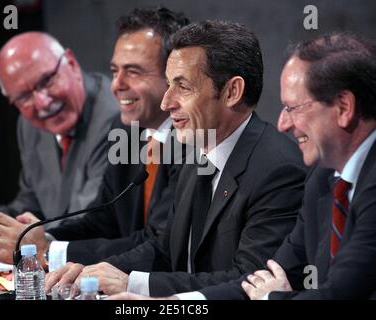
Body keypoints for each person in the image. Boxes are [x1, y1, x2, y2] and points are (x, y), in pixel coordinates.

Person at [46, 20, 307, 297]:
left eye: (182, 87)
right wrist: (95, 271)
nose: (166, 102)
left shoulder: (277, 169)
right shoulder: (195, 156)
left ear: (232, 92)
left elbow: (249, 283)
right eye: (168, 85)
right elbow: (164, 248)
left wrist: (133, 285)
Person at [123, 31, 376, 300]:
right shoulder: (322, 178)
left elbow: (339, 294)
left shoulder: (286, 169)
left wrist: (270, 298)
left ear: (344, 107)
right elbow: (262, 277)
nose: (283, 124)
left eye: (293, 108)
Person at [0, 8, 190, 273]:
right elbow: (104, 219)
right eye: (114, 70)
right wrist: (42, 238)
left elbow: (158, 246)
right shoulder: (129, 131)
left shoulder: (195, 141)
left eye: (133, 71)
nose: (116, 84)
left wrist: (48, 250)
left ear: (173, 76)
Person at [0, 32, 119, 243]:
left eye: (46, 81)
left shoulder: (116, 119)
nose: (42, 103)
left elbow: (88, 221)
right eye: (23, 97)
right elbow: (31, 206)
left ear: (72, 64)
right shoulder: (29, 125)